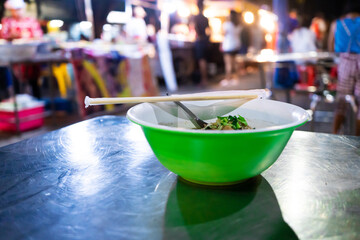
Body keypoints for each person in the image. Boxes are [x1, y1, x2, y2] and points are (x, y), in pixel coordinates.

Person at [328, 2, 360, 136]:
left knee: (342, 102)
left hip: (345, 63)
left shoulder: (337, 23)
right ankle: (358, 141)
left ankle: (335, 134)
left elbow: (330, 48)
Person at [0, 0, 43, 99]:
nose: (16, 12)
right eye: (13, 10)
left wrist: (28, 37)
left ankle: (37, 103)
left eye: (18, 9)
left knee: (34, 82)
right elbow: (2, 36)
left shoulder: (31, 21)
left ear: (23, 9)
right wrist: (10, 36)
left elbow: (38, 36)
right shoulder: (7, 22)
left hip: (31, 58)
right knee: (15, 84)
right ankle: (19, 104)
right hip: (13, 58)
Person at [189, 0, 210, 86]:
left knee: (202, 61)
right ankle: (205, 79)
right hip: (205, 40)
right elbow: (209, 31)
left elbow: (194, 29)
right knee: (204, 60)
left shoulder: (196, 17)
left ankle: (204, 80)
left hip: (200, 41)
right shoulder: (205, 18)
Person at [221, 10, 242, 81]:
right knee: (235, 63)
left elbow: (223, 34)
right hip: (236, 44)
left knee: (228, 64)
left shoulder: (227, 24)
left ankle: (228, 79)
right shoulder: (238, 24)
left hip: (228, 45)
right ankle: (236, 78)